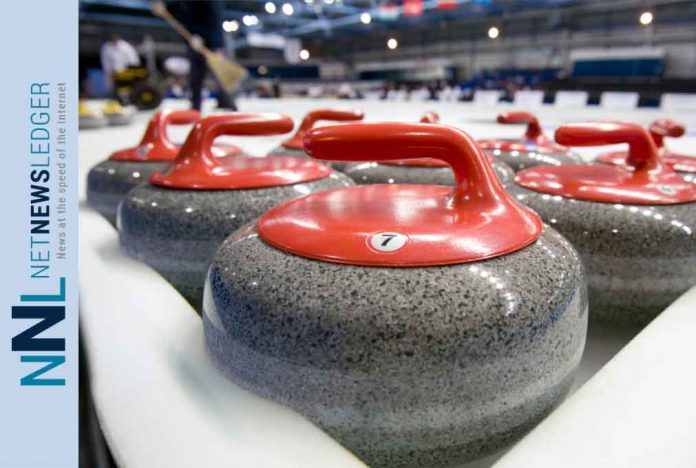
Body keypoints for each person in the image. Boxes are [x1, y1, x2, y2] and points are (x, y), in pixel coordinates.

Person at [156, 1, 237, 111]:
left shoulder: (210, 4)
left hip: (209, 42)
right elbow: (183, 12)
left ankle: (225, 101)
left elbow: (211, 18)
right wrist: (166, 8)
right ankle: (197, 104)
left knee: (216, 74)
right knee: (197, 75)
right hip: (198, 41)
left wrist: (204, 38)